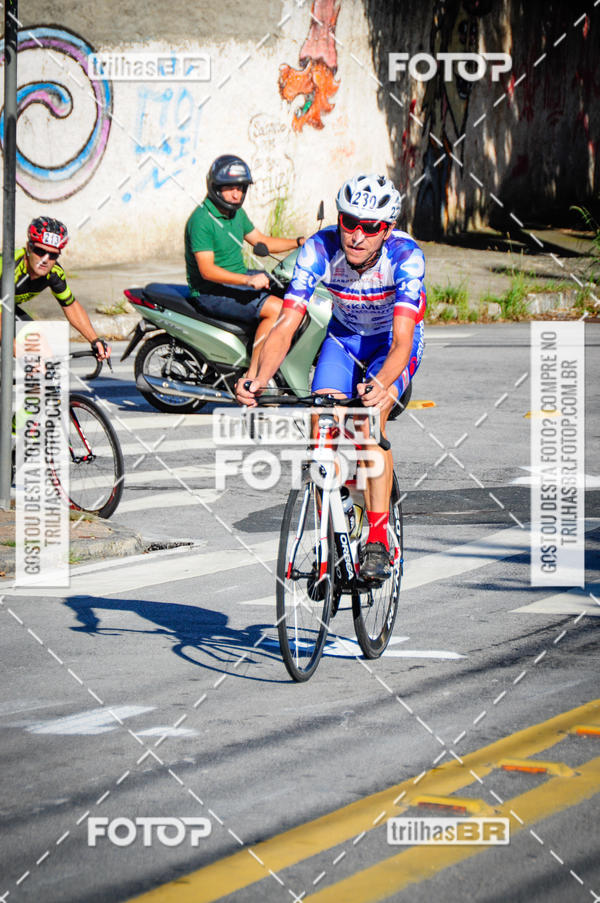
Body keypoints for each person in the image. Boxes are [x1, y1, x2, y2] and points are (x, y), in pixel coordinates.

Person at [236, 173, 426, 581]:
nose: (357, 235)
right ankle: (331, 533)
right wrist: (258, 379)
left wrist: (382, 384)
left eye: (370, 227)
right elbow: (286, 324)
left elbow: (402, 342)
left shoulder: (405, 257)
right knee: (320, 426)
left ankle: (378, 538)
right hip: (344, 340)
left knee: (367, 425)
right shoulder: (319, 249)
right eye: (349, 222)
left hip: (390, 343)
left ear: (387, 229)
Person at [184, 154, 305, 376]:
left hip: (235, 280)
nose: (236, 194)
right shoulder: (202, 220)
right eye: (229, 188)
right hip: (210, 292)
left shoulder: (236, 213)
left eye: (240, 188)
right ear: (215, 187)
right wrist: (248, 280)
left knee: (291, 294)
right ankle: (254, 375)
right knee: (277, 309)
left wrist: (299, 243)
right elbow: (207, 271)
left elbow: (262, 241)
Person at [0, 216, 110, 360]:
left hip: (5, 307)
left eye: (53, 255)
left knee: (43, 354)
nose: (45, 260)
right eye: (40, 251)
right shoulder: (7, 267)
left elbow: (70, 305)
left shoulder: (54, 274)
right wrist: (18, 349)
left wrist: (95, 340)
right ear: (28, 247)